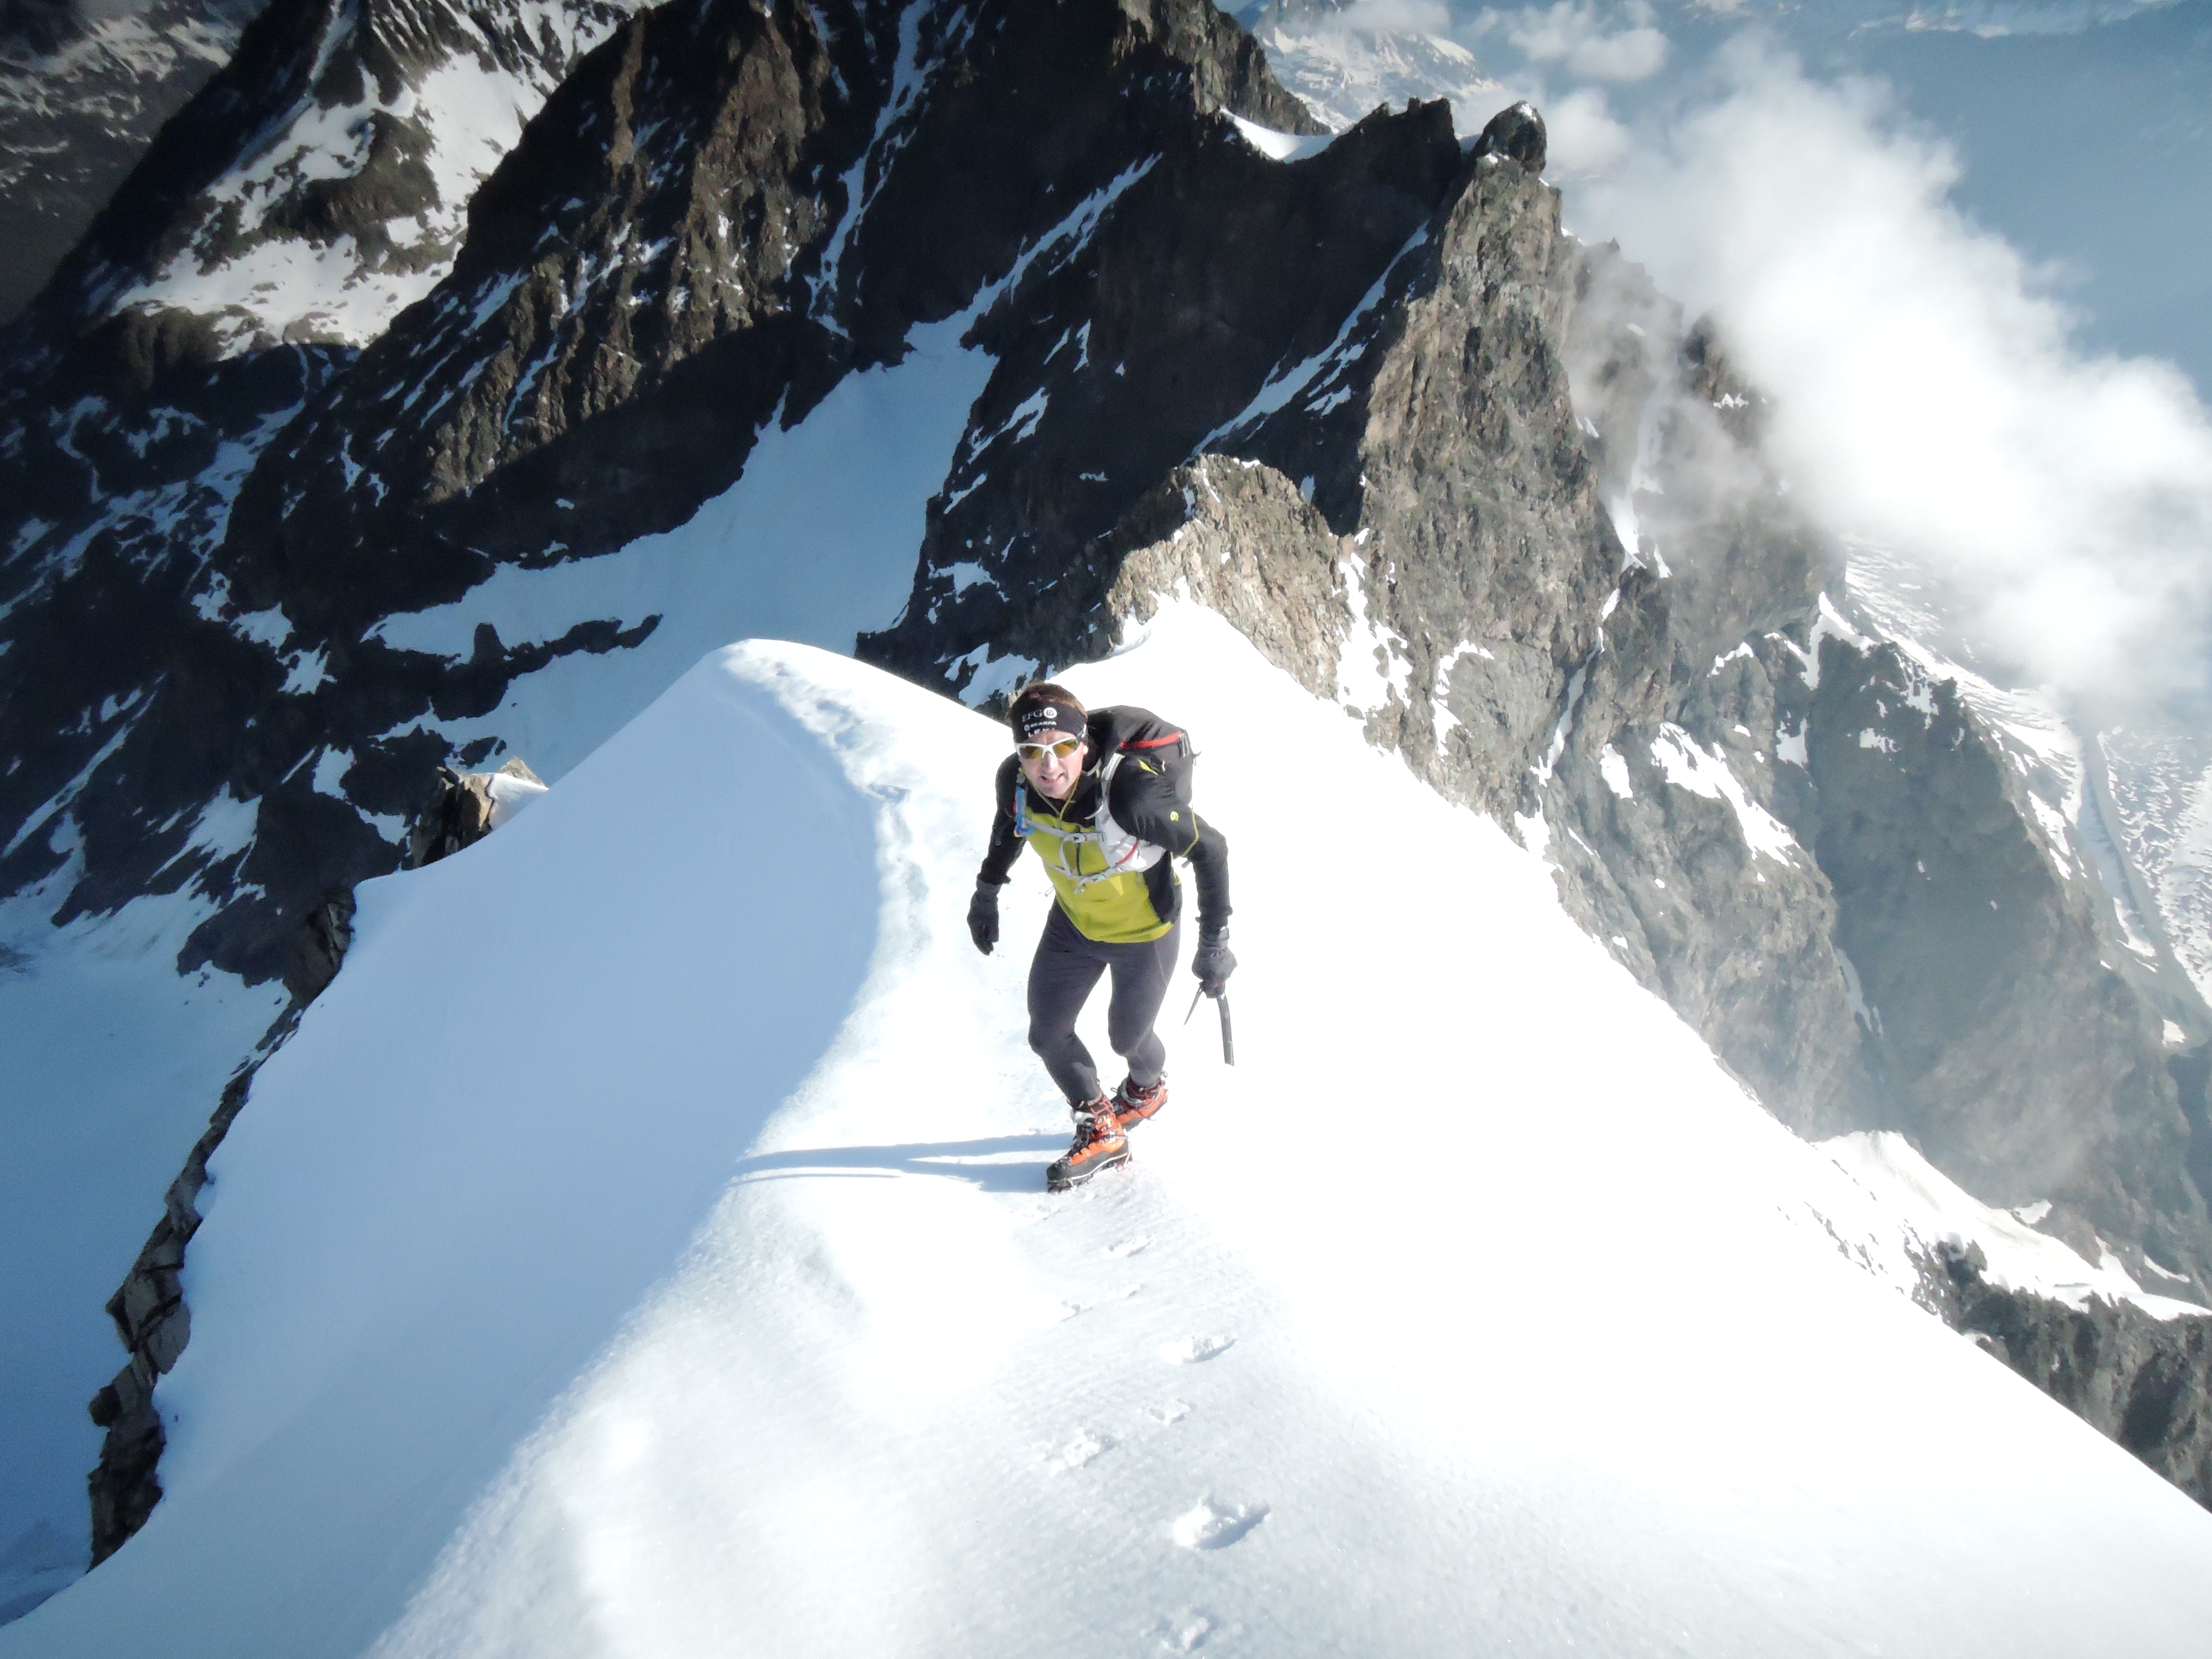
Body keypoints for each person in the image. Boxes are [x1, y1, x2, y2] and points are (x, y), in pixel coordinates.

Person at [967, 682, 1235, 1191]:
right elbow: (1009, 830)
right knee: (1047, 1032)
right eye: (1031, 752)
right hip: (1072, 927)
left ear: (1084, 744)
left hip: (1146, 932)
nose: (1048, 766)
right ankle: (1101, 1127)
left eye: (1062, 747)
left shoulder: (1131, 793)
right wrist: (987, 890)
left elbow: (1212, 849)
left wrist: (1215, 942)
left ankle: (1147, 1089)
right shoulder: (1017, 785)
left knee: (1127, 1037)